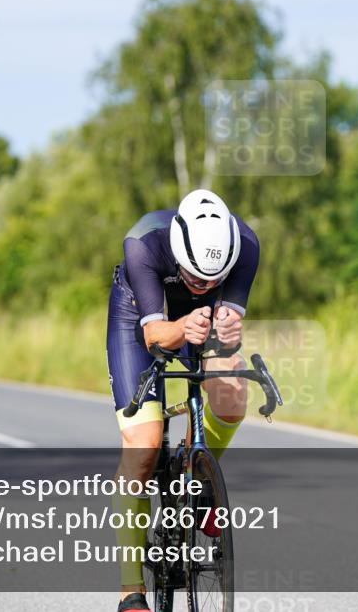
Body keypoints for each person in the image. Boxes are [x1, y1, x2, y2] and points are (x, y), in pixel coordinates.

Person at [107, 189, 259, 612]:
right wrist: (183, 324)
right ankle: (130, 590)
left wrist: (227, 330)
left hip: (202, 318)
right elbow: (155, 336)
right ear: (178, 249)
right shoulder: (143, 243)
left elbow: (228, 319)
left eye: (213, 279)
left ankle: (201, 483)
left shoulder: (246, 245)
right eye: (194, 277)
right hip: (139, 314)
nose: (203, 285)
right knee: (144, 444)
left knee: (231, 394)